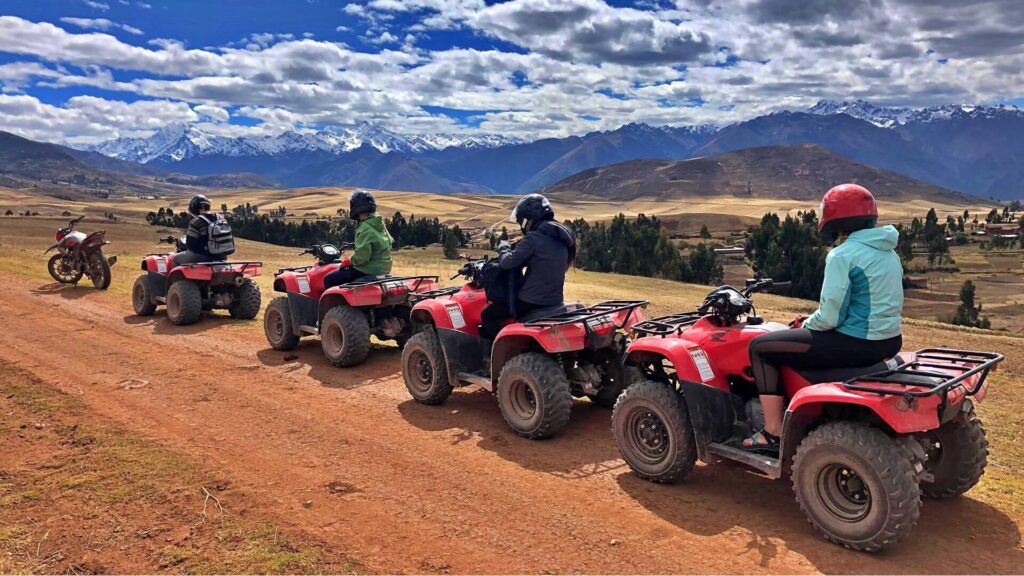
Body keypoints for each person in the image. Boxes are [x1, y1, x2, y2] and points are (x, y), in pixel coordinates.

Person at [743, 184, 904, 450]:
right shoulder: (888, 250)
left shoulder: (843, 255)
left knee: (760, 348)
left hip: (856, 343)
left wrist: (807, 323)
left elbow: (829, 318)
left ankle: (772, 433)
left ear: (835, 217)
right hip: (889, 341)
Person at [479, 193, 576, 341]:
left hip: (531, 301)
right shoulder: (562, 237)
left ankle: (502, 348)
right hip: (555, 300)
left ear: (527, 220)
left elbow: (507, 263)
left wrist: (503, 248)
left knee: (487, 314)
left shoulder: (533, 238)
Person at [324, 189, 393, 288]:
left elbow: (362, 258)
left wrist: (349, 260)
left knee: (329, 279)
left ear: (355, 207)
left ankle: (334, 303)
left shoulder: (365, 227)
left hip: (369, 269)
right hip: (384, 268)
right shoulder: (379, 224)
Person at [173, 194, 230, 265]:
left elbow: (190, 245)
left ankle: (175, 276)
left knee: (175, 259)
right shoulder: (221, 218)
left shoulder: (196, 221)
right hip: (222, 256)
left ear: (194, 208)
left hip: (203, 256)